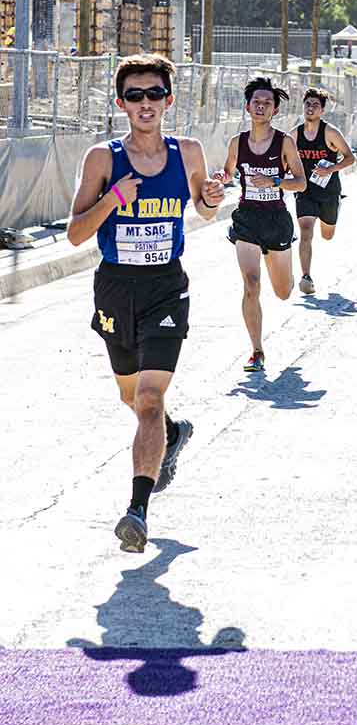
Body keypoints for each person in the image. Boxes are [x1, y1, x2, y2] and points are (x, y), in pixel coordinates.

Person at [67, 53, 225, 554]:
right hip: (116, 287)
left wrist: (213, 199)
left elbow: (201, 206)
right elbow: (74, 234)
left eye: (154, 94)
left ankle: (137, 510)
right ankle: (173, 435)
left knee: (150, 399)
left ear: (168, 100)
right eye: (134, 95)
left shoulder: (189, 152)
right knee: (133, 400)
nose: (145, 103)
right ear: (121, 103)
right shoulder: (102, 158)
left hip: (165, 287)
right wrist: (114, 198)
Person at [220, 76, 306, 373]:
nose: (261, 106)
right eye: (256, 102)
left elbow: (301, 183)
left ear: (275, 111)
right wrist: (220, 179)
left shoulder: (285, 142)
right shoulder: (237, 143)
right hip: (247, 219)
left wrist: (275, 180)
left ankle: (288, 274)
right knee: (251, 283)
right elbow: (228, 173)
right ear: (247, 107)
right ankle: (256, 351)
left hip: (276, 219)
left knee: (282, 291)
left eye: (267, 103)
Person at [294, 87, 355, 296]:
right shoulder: (295, 134)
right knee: (305, 231)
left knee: (327, 235)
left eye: (315, 105)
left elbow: (350, 157)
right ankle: (306, 276)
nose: (310, 108)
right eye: (308, 104)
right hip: (305, 191)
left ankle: (337, 206)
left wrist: (330, 168)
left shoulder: (330, 133)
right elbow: (283, 157)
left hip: (328, 191)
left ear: (322, 110)